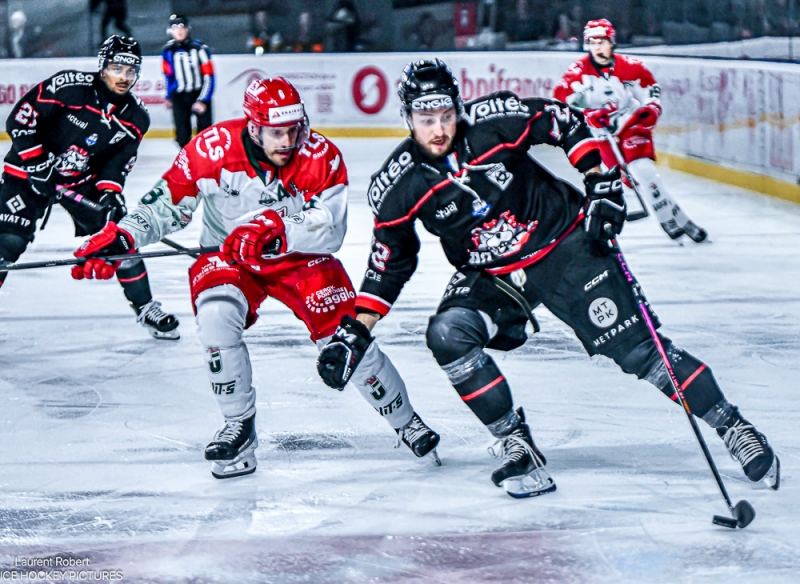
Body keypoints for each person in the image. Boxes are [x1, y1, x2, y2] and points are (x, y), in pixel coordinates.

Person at [317, 59, 780, 498]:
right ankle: (517, 443)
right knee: (448, 334)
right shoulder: (397, 186)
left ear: (458, 108)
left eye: (444, 115)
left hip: (565, 248)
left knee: (643, 353)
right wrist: (355, 333)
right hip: (493, 274)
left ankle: (734, 427)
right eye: (424, 118)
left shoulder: (494, 121)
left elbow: (566, 122)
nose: (437, 130)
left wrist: (601, 183)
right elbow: (390, 265)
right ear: (407, 118)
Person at [71, 77, 441, 479]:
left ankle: (406, 421)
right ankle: (239, 427)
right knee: (215, 318)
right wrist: (123, 236)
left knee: (346, 336)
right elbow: (166, 206)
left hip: (300, 258)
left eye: (295, 129)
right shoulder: (210, 149)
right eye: (276, 132)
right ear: (253, 127)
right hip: (228, 257)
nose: (288, 140)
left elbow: (331, 229)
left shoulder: (322, 155)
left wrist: (273, 225)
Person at [0, 35, 179, 340]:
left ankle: (145, 307)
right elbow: (20, 121)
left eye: (131, 70)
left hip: (78, 181)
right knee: (8, 242)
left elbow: (117, 163)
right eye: (117, 68)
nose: (124, 77)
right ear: (102, 65)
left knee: (119, 238)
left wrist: (110, 193)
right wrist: (38, 165)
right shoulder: (70, 87)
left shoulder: (136, 118)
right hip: (27, 172)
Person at [554, 19, 708, 243]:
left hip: (630, 125)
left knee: (642, 170)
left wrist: (650, 108)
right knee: (635, 181)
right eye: (593, 42)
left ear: (612, 42)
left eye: (603, 41)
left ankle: (667, 220)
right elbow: (561, 103)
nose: (598, 47)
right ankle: (682, 220)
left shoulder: (629, 66)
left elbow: (649, 89)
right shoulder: (577, 72)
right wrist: (587, 113)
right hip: (602, 136)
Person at [162, 14, 215, 149]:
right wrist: (168, 96)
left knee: (205, 134)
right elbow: (168, 76)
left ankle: (204, 162)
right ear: (170, 31)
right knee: (182, 135)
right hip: (179, 95)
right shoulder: (168, 50)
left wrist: (203, 100)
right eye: (175, 27)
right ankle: (189, 162)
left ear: (188, 29)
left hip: (198, 92)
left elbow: (209, 77)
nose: (179, 31)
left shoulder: (200, 49)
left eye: (182, 27)